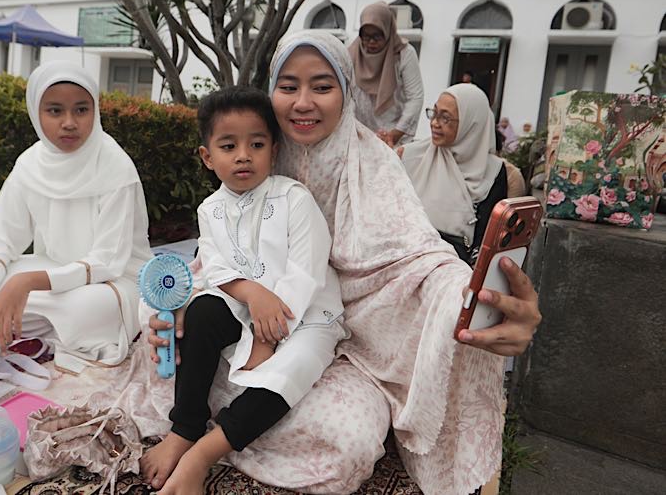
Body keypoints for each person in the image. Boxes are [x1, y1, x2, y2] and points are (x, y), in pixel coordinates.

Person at [144, 31, 541, 495]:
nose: (303, 103)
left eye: (323, 86)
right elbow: (221, 250)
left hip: (348, 343)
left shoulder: (372, 164)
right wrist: (175, 307)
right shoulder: (255, 153)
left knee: (346, 442)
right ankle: (194, 428)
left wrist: (473, 297)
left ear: (347, 92)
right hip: (246, 324)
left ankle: (215, 441)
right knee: (172, 347)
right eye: (288, 86)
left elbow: (420, 258)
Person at [140, 87, 347, 493]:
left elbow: (305, 272)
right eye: (228, 145)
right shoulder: (209, 209)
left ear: (273, 149)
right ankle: (185, 427)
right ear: (207, 157)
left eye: (256, 144)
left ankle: (203, 454)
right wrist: (250, 294)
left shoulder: (294, 199)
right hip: (243, 306)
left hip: (307, 316)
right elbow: (215, 264)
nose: (243, 156)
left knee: (295, 367)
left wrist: (268, 338)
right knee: (200, 314)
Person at [0, 61, 153, 373]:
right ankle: (12, 318)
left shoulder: (116, 166)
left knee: (85, 308)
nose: (69, 123)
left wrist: (26, 283)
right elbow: (0, 236)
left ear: (95, 111)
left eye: (81, 110)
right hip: (54, 271)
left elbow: (108, 260)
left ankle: (13, 319)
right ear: (36, 113)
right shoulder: (30, 163)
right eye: (55, 111)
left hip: (111, 282)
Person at [399, 84, 510, 266]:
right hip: (406, 259)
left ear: (471, 124)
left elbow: (487, 238)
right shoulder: (411, 157)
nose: (434, 123)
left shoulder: (493, 171)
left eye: (445, 118)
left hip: (456, 269)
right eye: (434, 113)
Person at [349, 2, 423, 147]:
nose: (370, 42)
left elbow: (415, 98)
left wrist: (396, 133)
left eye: (377, 36)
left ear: (388, 31)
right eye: (365, 36)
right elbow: (346, 96)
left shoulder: (404, 54)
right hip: (358, 136)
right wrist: (354, 130)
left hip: (393, 136)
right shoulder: (352, 54)